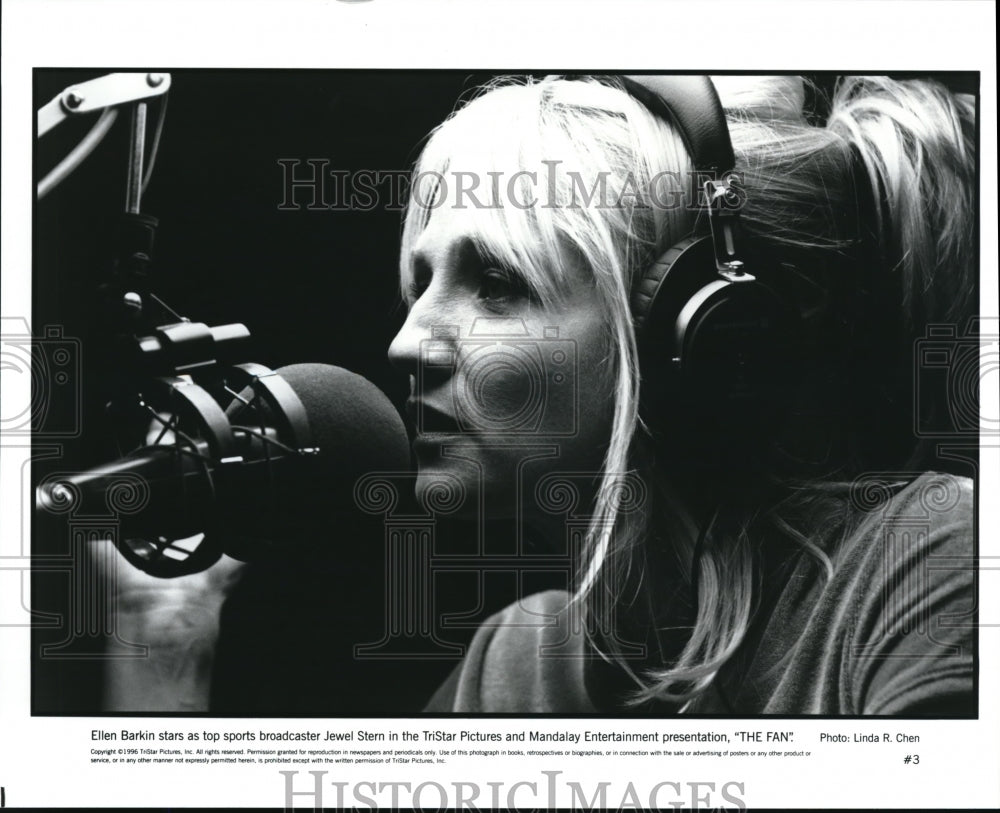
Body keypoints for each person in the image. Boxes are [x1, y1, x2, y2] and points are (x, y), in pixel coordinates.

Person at [102, 74, 977, 715]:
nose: (406, 343)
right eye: (420, 282)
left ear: (696, 333)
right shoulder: (519, 660)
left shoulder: (929, 561)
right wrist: (166, 627)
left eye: (495, 283)